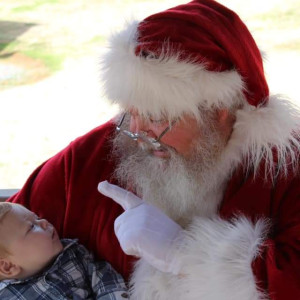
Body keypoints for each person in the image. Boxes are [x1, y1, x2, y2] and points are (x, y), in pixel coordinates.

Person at [7, 0, 300, 299]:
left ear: (220, 112)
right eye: (129, 112)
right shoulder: (89, 160)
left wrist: (184, 254)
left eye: (157, 117)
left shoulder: (287, 167)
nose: (135, 131)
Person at [0, 202, 128, 299]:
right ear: (8, 267)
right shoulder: (7, 294)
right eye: (32, 226)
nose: (44, 222)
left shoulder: (74, 255)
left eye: (37, 217)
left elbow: (105, 279)